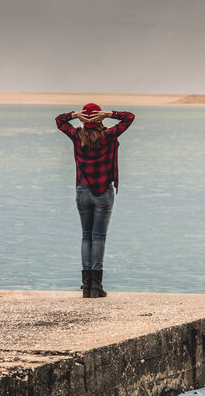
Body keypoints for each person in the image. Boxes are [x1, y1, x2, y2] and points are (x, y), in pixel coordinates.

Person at [55, 104, 135, 298]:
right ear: (100, 118)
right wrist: (109, 114)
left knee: (86, 236)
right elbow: (129, 117)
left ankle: (86, 285)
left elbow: (59, 120)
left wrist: (74, 115)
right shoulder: (108, 135)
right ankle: (96, 287)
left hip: (82, 190)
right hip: (103, 192)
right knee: (98, 238)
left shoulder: (76, 135)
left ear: (83, 118)